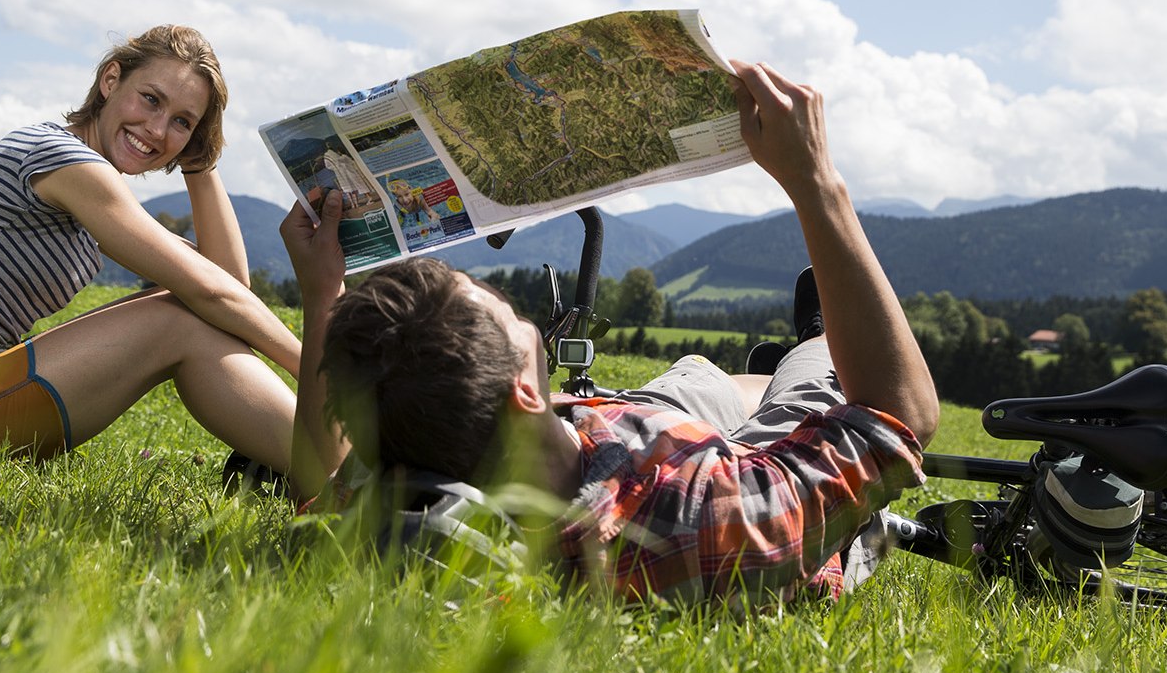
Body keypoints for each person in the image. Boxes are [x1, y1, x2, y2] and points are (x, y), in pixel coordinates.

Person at [280, 59, 939, 604]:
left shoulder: (409, 481)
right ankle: (812, 344)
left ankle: (766, 373)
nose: (518, 312)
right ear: (525, 394)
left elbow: (319, 481)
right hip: (710, 474)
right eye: (511, 318)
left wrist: (321, 295)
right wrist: (817, 182)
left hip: (612, 437)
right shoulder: (711, 516)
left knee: (698, 376)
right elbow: (899, 417)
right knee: (813, 375)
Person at [0, 25, 300, 472]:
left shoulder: (87, 185)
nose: (159, 129)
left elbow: (228, 286)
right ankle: (335, 469)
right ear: (110, 80)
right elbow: (217, 294)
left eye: (183, 122)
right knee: (177, 318)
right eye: (151, 99)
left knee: (185, 306)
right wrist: (320, 373)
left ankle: (310, 460)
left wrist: (200, 160)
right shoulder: (63, 160)